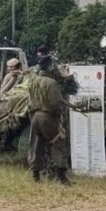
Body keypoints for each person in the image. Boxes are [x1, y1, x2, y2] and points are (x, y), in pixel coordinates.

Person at [26, 56, 74, 185]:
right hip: (47, 117)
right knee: (59, 143)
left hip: (35, 117)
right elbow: (55, 103)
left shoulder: (32, 81)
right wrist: (59, 115)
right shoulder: (51, 83)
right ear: (49, 67)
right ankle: (61, 177)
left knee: (37, 146)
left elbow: (29, 101)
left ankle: (36, 175)